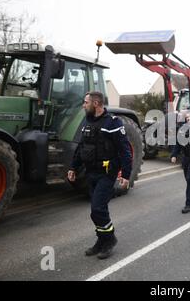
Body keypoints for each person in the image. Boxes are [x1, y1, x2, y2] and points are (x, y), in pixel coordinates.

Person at [67, 91, 132, 260]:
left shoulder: (113, 123)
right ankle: (101, 240)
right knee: (96, 211)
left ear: (95, 104)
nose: (83, 105)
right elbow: (82, 147)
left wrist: (126, 174)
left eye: (85, 102)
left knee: (97, 209)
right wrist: (73, 167)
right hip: (91, 173)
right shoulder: (88, 122)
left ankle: (110, 240)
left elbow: (125, 150)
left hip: (107, 174)